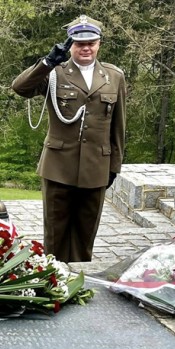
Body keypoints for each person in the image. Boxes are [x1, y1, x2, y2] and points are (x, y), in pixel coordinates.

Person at [11, 16, 126, 263]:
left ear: (99, 44)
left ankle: (79, 280)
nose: (86, 48)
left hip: (96, 165)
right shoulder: (55, 73)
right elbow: (20, 88)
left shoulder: (113, 76)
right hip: (58, 165)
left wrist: (114, 166)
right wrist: (47, 62)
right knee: (55, 231)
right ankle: (54, 280)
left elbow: (118, 126)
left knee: (86, 232)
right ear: (71, 45)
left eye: (91, 43)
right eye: (79, 43)